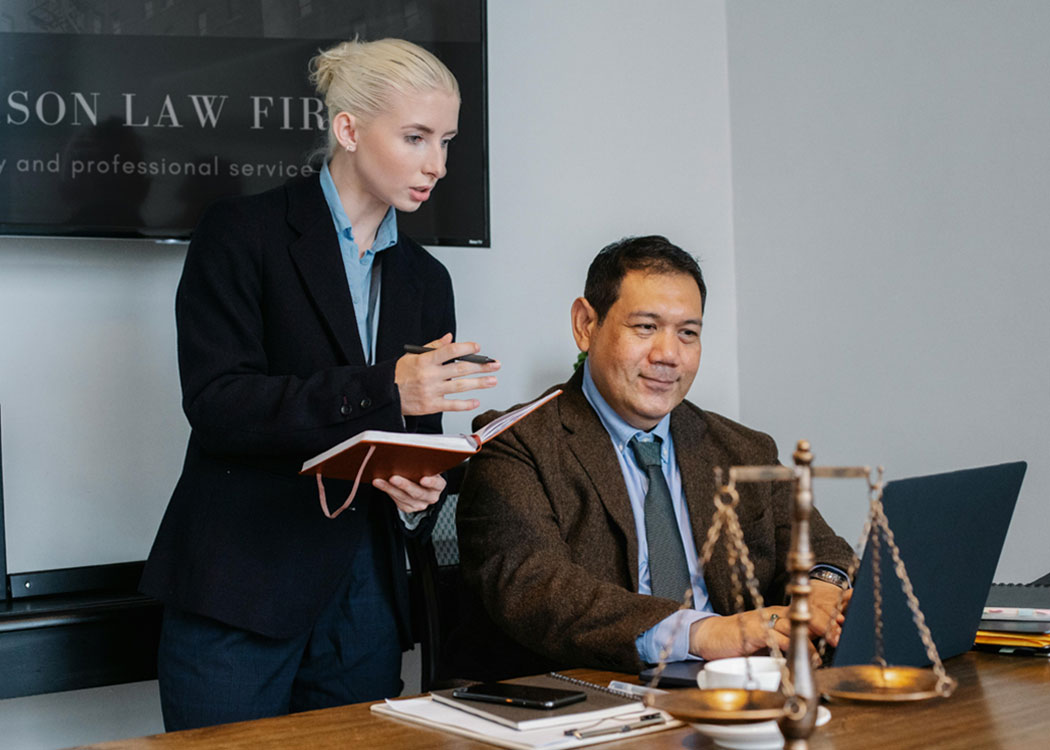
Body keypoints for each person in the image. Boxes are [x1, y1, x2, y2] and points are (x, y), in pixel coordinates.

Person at [140, 38, 499, 730]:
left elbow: (411, 436)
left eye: (446, 141)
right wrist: (386, 389)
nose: (437, 164)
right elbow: (219, 405)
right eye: (416, 137)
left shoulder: (428, 281)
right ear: (349, 129)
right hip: (240, 588)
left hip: (365, 601)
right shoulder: (241, 232)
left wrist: (418, 491)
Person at [453, 235, 852, 680]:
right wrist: (702, 632)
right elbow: (536, 589)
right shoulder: (515, 444)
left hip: (738, 692)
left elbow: (825, 549)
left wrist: (822, 591)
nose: (668, 356)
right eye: (645, 327)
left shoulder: (744, 448)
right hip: (591, 694)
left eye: (688, 333)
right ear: (586, 325)